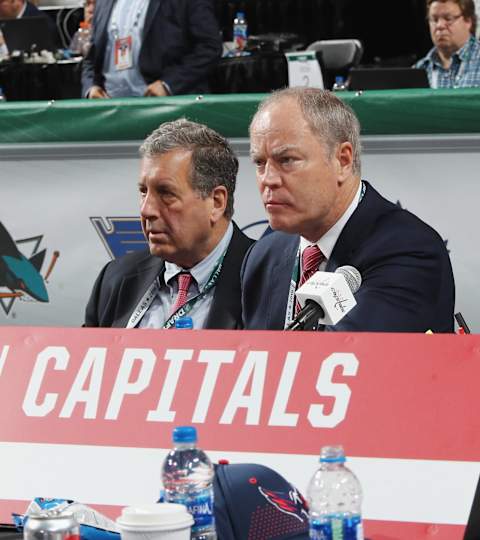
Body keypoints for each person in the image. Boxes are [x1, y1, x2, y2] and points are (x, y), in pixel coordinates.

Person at [241, 87, 455, 332]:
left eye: (287, 160)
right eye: (259, 162)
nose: (268, 179)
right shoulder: (263, 255)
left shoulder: (410, 251)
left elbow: (350, 362)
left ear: (343, 160)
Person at [84, 119, 254, 329]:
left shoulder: (265, 280)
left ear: (216, 202)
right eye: (143, 191)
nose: (146, 210)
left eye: (166, 193)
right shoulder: (117, 278)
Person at [81, 0, 222, 98]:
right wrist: (91, 87)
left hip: (167, 108)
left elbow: (209, 47)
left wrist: (169, 84)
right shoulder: (103, 2)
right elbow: (91, 58)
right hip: (112, 109)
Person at [415, 0, 480, 87]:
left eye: (448, 19)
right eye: (434, 19)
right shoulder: (419, 69)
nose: (439, 25)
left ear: (468, 21)